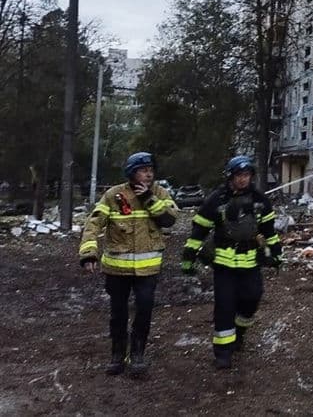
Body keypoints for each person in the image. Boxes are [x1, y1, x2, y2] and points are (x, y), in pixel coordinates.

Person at [78, 151, 178, 378]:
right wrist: (88, 253)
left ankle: (138, 355)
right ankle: (117, 355)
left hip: (148, 268)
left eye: (151, 170)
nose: (148, 174)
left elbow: (170, 219)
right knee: (118, 313)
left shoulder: (160, 193)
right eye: (144, 170)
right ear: (132, 172)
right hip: (116, 268)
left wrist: (148, 199)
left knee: (144, 310)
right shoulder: (114, 195)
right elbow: (93, 224)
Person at [181, 155, 282, 369]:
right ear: (230, 176)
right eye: (239, 175)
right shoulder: (217, 200)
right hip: (224, 264)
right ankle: (223, 351)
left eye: (246, 175)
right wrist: (189, 256)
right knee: (225, 306)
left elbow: (269, 231)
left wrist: (276, 254)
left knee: (252, 299)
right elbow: (199, 230)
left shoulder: (259, 200)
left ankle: (240, 331)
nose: (243, 180)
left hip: (251, 262)